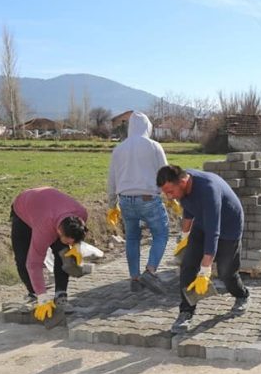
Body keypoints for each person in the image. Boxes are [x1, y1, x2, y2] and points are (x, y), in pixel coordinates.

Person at [156, 164, 250, 334]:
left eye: (170, 191)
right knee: (188, 265)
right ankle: (186, 312)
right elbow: (188, 210)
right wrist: (185, 237)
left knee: (226, 272)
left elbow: (213, 232)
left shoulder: (208, 190)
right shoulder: (183, 186)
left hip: (229, 227)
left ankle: (242, 295)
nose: (169, 197)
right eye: (165, 192)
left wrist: (205, 270)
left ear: (183, 182)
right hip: (203, 222)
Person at [107, 111, 170, 295]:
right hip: (149, 198)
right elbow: (165, 173)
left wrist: (112, 203)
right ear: (147, 127)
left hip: (125, 199)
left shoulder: (119, 149)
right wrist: (170, 196)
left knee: (132, 238)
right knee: (161, 233)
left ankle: (135, 279)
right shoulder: (153, 146)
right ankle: (150, 272)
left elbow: (112, 178)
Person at [10, 187, 88, 324]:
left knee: (64, 254)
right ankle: (35, 295)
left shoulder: (81, 213)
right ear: (59, 232)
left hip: (48, 206)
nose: (70, 243)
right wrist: (43, 296)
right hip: (23, 210)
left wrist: (76, 246)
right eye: (68, 240)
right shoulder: (44, 229)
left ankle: (61, 296)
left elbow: (78, 234)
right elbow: (33, 264)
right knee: (23, 259)